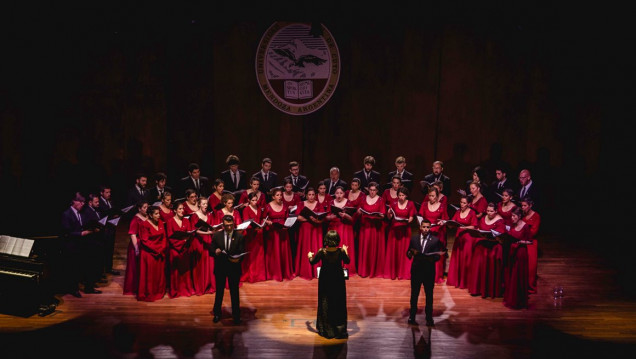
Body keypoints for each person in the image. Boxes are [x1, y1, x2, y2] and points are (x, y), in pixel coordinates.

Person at [308, 230, 350, 339]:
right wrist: (345, 251)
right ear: (337, 240)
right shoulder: (340, 252)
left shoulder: (322, 252)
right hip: (338, 281)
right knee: (338, 302)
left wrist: (309, 256)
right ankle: (339, 329)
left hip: (325, 281)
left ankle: (326, 330)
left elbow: (312, 262)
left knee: (325, 302)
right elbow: (348, 261)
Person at [210, 215, 246, 325]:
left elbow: (242, 252)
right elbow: (211, 250)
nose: (229, 228)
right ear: (223, 225)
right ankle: (217, 313)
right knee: (219, 292)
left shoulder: (239, 237)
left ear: (234, 224)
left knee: (234, 293)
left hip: (233, 268)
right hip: (221, 267)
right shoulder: (216, 236)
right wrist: (215, 251)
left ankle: (236, 315)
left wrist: (238, 259)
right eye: (227, 225)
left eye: (231, 225)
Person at [467, 202, 506, 298]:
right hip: (483, 244)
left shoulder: (500, 221)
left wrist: (492, 238)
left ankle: (489, 290)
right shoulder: (484, 218)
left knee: (490, 264)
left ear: (496, 211)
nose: (489, 213)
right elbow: (479, 228)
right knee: (477, 257)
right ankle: (477, 288)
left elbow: (500, 236)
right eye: (487, 211)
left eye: (491, 211)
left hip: (493, 247)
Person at [407, 219, 441, 327]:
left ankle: (429, 318)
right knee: (414, 295)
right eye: (424, 227)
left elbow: (437, 256)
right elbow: (408, 254)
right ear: (420, 228)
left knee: (429, 296)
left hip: (428, 272)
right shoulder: (414, 239)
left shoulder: (435, 240)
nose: (426, 229)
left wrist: (430, 258)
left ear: (430, 228)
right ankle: (412, 316)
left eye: (428, 227)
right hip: (416, 271)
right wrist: (410, 253)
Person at [445, 195, 478, 289]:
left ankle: (465, 282)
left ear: (468, 204)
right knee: (457, 258)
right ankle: (457, 280)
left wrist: (464, 228)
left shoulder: (472, 213)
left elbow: (474, 226)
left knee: (465, 259)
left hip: (467, 238)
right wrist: (449, 224)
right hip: (459, 237)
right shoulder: (458, 211)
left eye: (464, 203)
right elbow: (453, 222)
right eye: (461, 202)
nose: (462, 204)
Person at [418, 187, 449, 284]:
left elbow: (445, 220)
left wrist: (442, 222)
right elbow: (420, 217)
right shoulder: (424, 204)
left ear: (437, 196)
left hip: (437, 234)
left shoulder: (442, 206)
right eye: (430, 196)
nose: (431, 198)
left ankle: (436, 276)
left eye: (433, 196)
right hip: (426, 233)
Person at [384, 186, 416, 280]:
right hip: (394, 230)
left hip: (405, 230)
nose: (401, 197)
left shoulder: (410, 204)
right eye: (399, 195)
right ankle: (393, 272)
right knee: (394, 251)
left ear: (406, 196)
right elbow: (390, 217)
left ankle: (403, 273)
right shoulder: (393, 203)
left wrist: (407, 220)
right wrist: (389, 213)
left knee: (404, 251)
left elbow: (411, 218)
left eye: (402, 195)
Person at [136, 206, 167, 302]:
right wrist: (157, 250)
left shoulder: (161, 222)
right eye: (156, 214)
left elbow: (164, 238)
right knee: (150, 274)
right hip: (149, 254)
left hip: (160, 252)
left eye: (159, 213)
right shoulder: (144, 225)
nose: (159, 216)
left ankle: (158, 291)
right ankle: (150, 292)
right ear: (150, 215)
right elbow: (145, 241)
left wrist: (161, 249)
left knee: (159, 274)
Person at [165, 201, 195, 298]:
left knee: (185, 270)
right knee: (175, 271)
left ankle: (185, 289)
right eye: (180, 209)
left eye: (183, 209)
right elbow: (170, 237)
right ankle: (175, 290)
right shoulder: (170, 221)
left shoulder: (186, 221)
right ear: (175, 210)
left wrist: (187, 241)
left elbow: (190, 233)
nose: (182, 210)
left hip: (185, 249)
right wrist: (182, 242)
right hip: (175, 250)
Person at [294, 187, 326, 280]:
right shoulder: (301, 204)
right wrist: (309, 219)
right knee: (306, 248)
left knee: (316, 248)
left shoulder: (319, 204)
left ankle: (316, 271)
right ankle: (306, 270)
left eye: (313, 195)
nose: (311, 197)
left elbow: (322, 218)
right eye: (309, 195)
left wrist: (316, 220)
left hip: (316, 230)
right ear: (306, 195)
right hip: (305, 230)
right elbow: (298, 217)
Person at [263, 187, 294, 281]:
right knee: (275, 252)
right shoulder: (268, 206)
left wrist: (288, 224)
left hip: (283, 231)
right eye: (277, 195)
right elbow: (264, 218)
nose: (280, 197)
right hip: (273, 232)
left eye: (281, 195)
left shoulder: (284, 205)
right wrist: (268, 222)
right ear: (273, 197)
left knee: (283, 251)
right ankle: (275, 273)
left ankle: (285, 272)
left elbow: (287, 217)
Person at [503, 208, 531, 309]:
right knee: (511, 275)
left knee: (518, 275)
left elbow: (530, 241)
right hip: (512, 252)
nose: (512, 218)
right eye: (511, 216)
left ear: (519, 217)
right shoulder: (511, 225)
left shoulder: (525, 226)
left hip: (520, 253)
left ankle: (519, 300)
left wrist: (520, 242)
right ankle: (511, 298)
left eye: (514, 216)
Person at [356, 182, 386, 278]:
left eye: (374, 190)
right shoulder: (363, 198)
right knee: (365, 248)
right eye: (371, 190)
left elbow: (382, 215)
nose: (372, 192)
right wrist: (359, 212)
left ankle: (374, 271)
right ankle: (364, 270)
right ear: (368, 190)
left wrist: (379, 215)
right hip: (365, 228)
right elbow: (358, 210)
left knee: (374, 248)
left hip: (375, 229)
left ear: (377, 191)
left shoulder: (381, 200)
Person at [325, 186, 357, 276]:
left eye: (341, 193)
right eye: (337, 193)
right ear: (334, 194)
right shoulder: (331, 202)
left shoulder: (349, 203)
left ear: (344, 194)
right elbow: (326, 217)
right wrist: (330, 217)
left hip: (345, 228)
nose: (339, 195)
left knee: (344, 247)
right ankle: (333, 268)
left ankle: (345, 269)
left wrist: (345, 215)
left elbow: (353, 219)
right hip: (334, 227)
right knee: (334, 247)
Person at [80, 193, 106, 292]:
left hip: (96, 241)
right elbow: (87, 224)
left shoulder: (96, 210)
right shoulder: (87, 212)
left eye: (99, 201)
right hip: (90, 242)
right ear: (90, 203)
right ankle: (89, 287)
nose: (98, 203)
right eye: (96, 202)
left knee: (94, 264)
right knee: (90, 265)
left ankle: (92, 283)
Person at [191, 196, 217, 295]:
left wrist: (214, 231)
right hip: (199, 242)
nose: (205, 206)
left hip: (209, 241)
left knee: (210, 264)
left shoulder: (210, 215)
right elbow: (195, 231)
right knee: (201, 265)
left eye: (206, 204)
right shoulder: (195, 216)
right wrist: (208, 233)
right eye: (203, 204)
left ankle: (210, 285)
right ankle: (201, 286)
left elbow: (213, 227)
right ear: (199, 204)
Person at [123, 200, 148, 296]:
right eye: (144, 207)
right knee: (136, 267)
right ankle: (135, 287)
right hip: (137, 245)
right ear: (139, 209)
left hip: (145, 243)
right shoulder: (135, 219)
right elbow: (133, 234)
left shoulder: (147, 216)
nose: (146, 209)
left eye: (147, 207)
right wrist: (136, 249)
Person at [240, 192, 266, 283]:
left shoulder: (259, 208)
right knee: (252, 255)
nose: (255, 202)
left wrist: (263, 223)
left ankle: (260, 275)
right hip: (251, 234)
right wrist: (254, 228)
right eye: (253, 200)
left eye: (256, 200)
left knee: (259, 254)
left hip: (259, 233)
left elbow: (261, 218)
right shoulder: (246, 209)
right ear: (249, 200)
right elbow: (246, 222)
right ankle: (251, 275)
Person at [97, 185, 120, 276]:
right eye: (106, 192)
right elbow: (102, 214)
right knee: (104, 250)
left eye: (109, 192)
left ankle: (109, 268)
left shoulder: (110, 201)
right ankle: (101, 271)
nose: (109, 194)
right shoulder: (99, 202)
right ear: (101, 193)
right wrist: (111, 216)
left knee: (110, 249)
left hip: (111, 228)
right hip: (104, 229)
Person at [521, 197, 541, 294]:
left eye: (525, 206)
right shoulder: (522, 215)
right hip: (522, 240)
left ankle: (530, 286)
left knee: (531, 265)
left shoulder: (536, 216)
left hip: (531, 242)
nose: (523, 207)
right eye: (522, 205)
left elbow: (534, 231)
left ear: (530, 205)